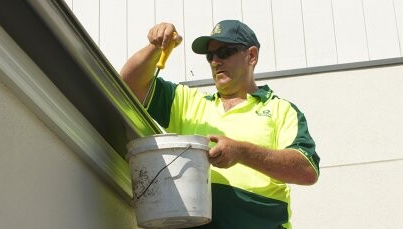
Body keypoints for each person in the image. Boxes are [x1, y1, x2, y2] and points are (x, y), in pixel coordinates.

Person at [120, 20, 320, 228]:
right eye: (210, 56)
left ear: (251, 56)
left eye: (224, 52)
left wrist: (242, 152)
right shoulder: (188, 103)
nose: (215, 61)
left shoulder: (281, 110)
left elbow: (306, 170)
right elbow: (128, 85)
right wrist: (155, 47)